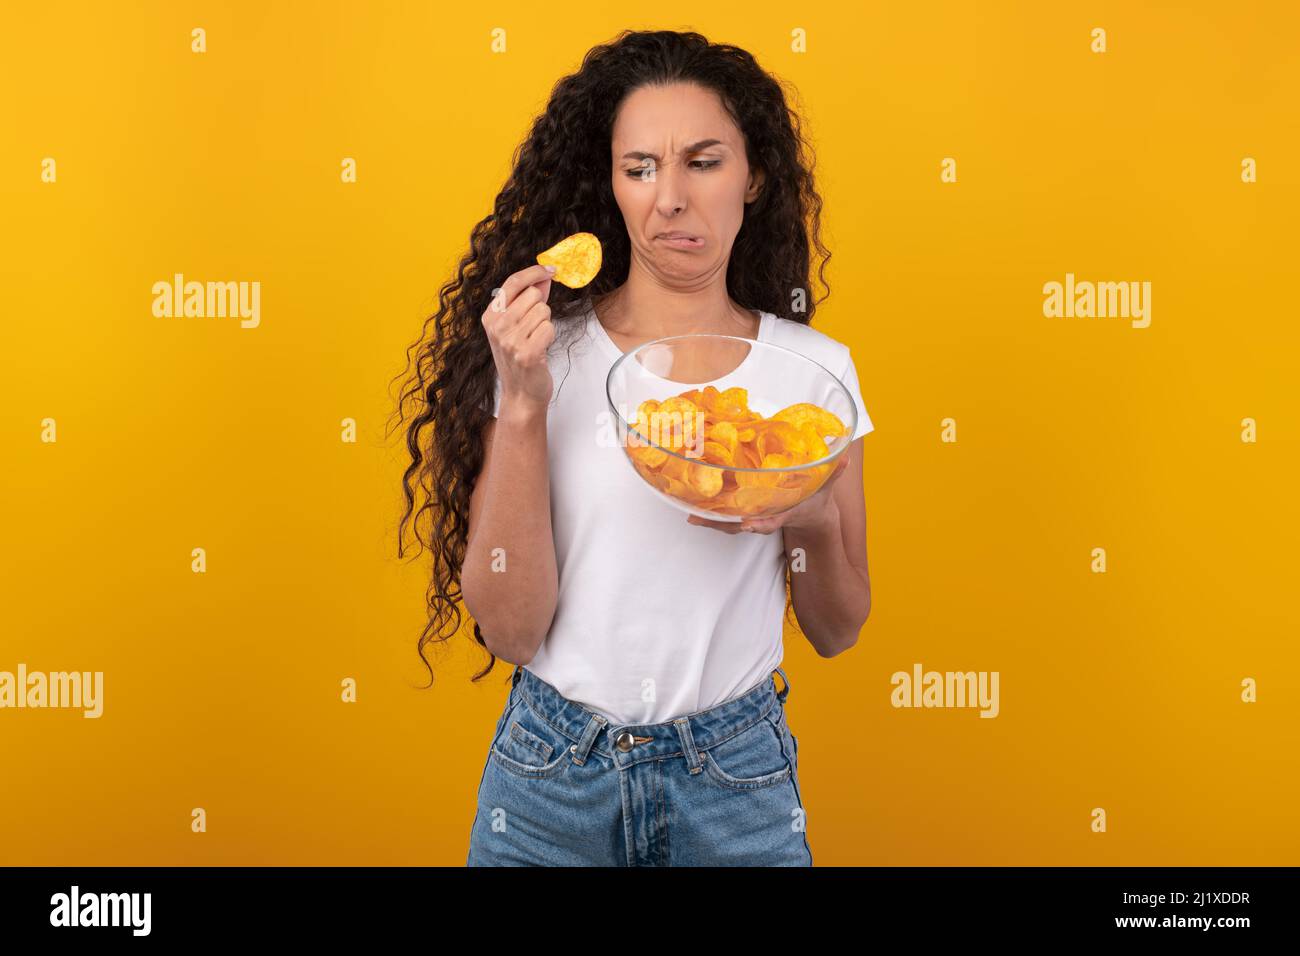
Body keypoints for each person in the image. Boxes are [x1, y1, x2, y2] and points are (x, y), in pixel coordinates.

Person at [389, 29, 874, 866]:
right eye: (640, 167)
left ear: (754, 177)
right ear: (610, 186)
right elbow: (509, 629)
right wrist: (525, 403)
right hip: (549, 781)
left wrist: (815, 517)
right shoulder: (542, 353)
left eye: (704, 161)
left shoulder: (812, 375)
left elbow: (836, 629)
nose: (669, 198)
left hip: (736, 782)